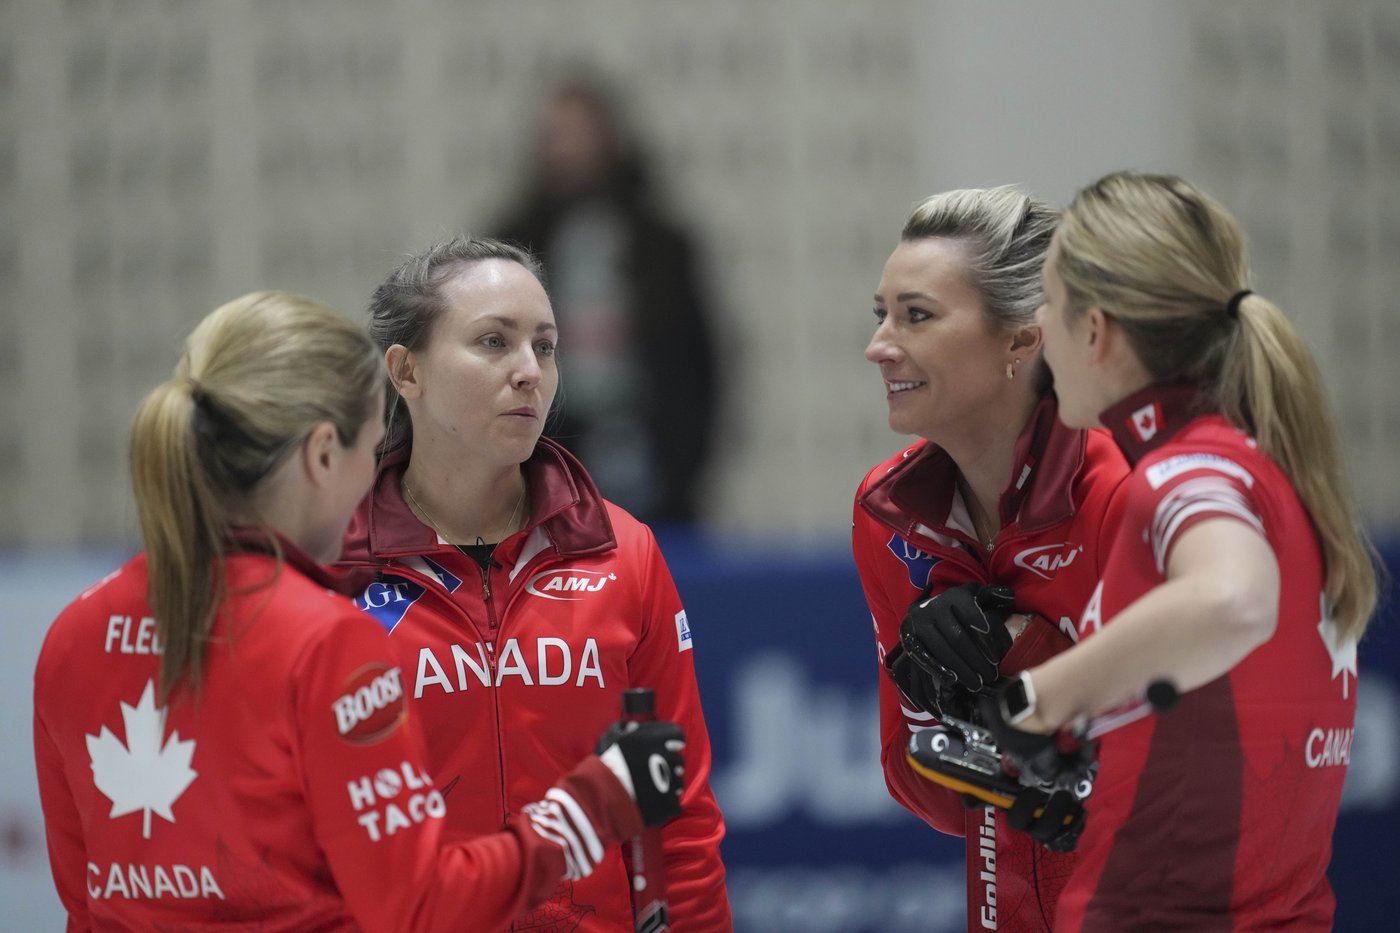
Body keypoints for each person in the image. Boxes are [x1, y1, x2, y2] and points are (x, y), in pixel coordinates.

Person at [32, 292, 687, 931]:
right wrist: (599, 800)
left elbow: (84, 906)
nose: (368, 493)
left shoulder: (74, 632)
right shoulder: (327, 640)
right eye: (370, 449)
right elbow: (421, 906)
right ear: (322, 454)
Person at [990, 170, 1381, 930]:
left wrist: (1040, 700)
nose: (1038, 322)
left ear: (1096, 331)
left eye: (1047, 296)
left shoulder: (1185, 470)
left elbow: (1232, 600)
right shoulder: (1264, 468)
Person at [338, 235, 732, 931]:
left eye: (545, 347)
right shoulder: (337, 569)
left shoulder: (624, 554)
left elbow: (683, 817)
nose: (529, 372)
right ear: (407, 371)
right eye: (493, 342)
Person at [851, 186, 1130, 931]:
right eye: (880, 314)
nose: (879, 344)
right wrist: (930, 701)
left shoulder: (1130, 491)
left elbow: (1196, 774)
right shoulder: (887, 514)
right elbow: (934, 797)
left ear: (1021, 338)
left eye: (916, 315)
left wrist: (1026, 663)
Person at [490, 74, 720, 524]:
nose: (570, 149)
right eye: (557, 134)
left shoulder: (661, 244)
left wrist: (687, 458)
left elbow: (699, 361)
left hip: (651, 448)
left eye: (582, 133)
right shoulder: (509, 246)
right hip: (547, 448)